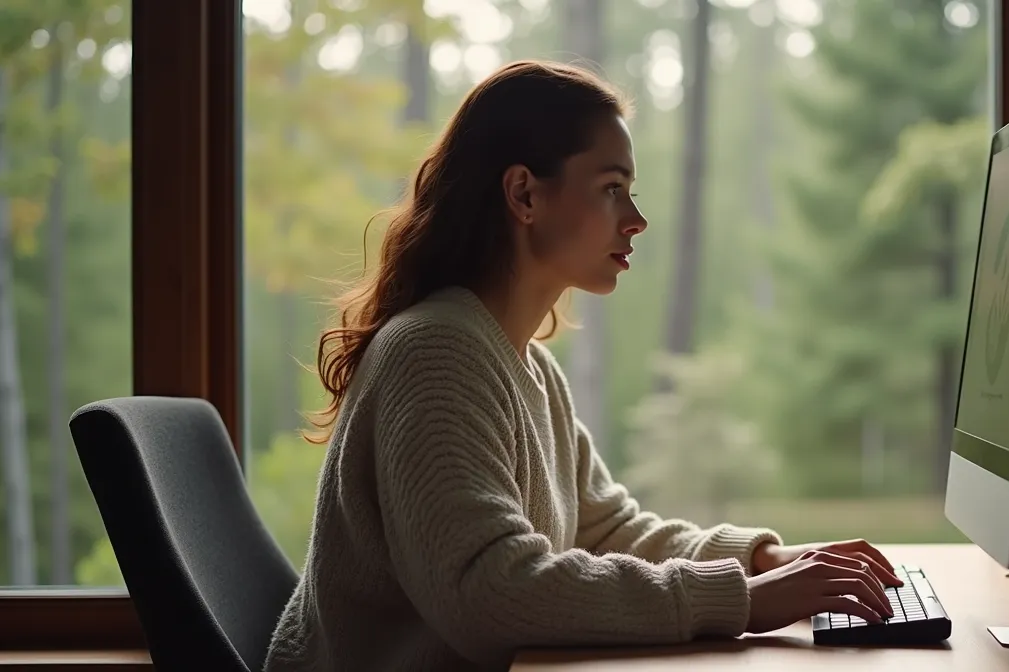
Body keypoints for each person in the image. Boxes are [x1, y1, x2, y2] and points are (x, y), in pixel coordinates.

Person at [264, 59, 902, 672]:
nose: (636, 220)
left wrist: (761, 561)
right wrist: (745, 601)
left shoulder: (526, 366)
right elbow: (489, 592)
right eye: (611, 189)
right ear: (524, 194)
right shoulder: (434, 355)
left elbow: (607, 531)